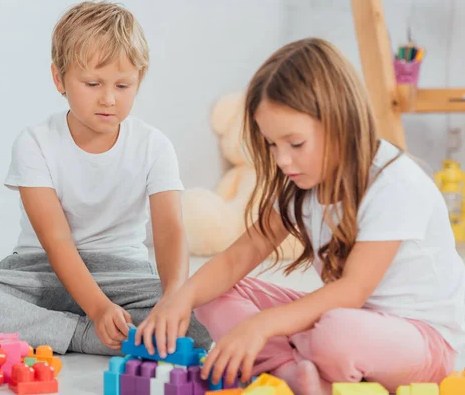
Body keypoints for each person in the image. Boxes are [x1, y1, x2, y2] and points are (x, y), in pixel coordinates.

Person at [135, 37, 464, 394]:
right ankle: (292, 372)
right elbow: (236, 259)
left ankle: (298, 357)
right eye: (272, 144)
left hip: (423, 340)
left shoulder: (393, 182)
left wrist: (260, 326)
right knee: (212, 292)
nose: (282, 160)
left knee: (336, 333)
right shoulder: (302, 180)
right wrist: (179, 298)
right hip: (342, 319)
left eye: (295, 143)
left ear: (341, 121)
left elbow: (352, 290)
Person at [0, 0, 211, 356]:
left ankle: (52, 332)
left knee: (211, 309)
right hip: (40, 276)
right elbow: (55, 239)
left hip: (124, 278)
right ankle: (86, 335)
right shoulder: (35, 142)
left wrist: (174, 302)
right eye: (92, 83)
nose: (108, 99)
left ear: (139, 80)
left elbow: (170, 232)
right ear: (60, 78)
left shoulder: (154, 145)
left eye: (122, 86)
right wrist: (97, 311)